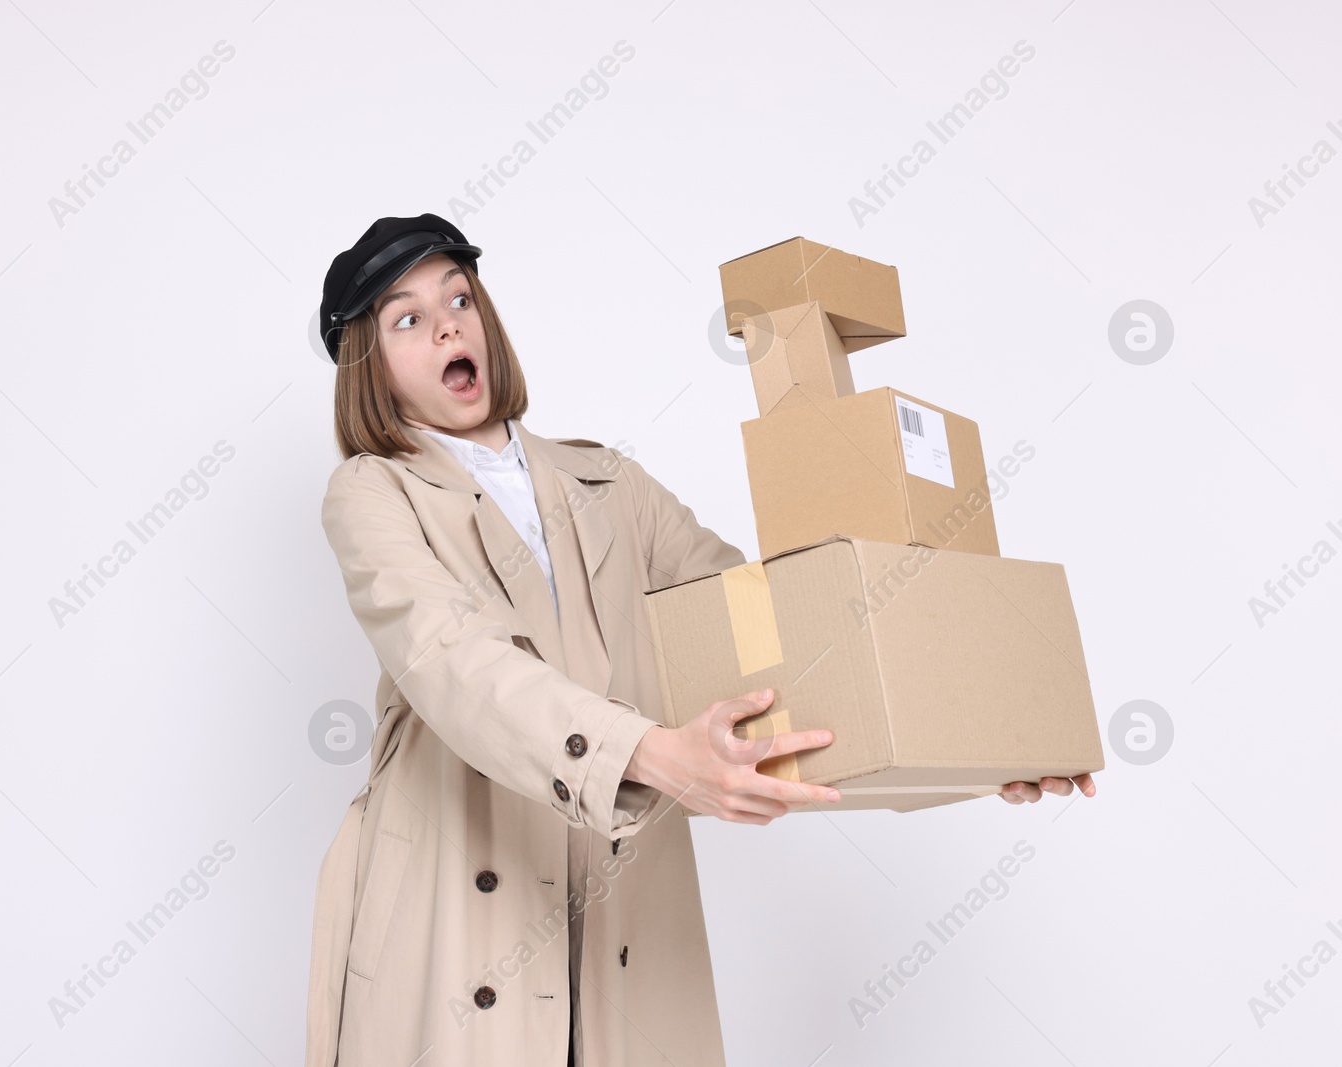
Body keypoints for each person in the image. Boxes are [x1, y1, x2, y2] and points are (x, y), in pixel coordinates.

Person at [303, 213, 1095, 1067]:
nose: (450, 323)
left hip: (620, 924)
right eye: (408, 318)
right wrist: (653, 753)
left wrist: (967, 742)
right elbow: (453, 662)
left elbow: (768, 631)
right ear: (369, 367)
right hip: (454, 924)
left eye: (460, 297)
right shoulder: (372, 494)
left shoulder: (611, 485)